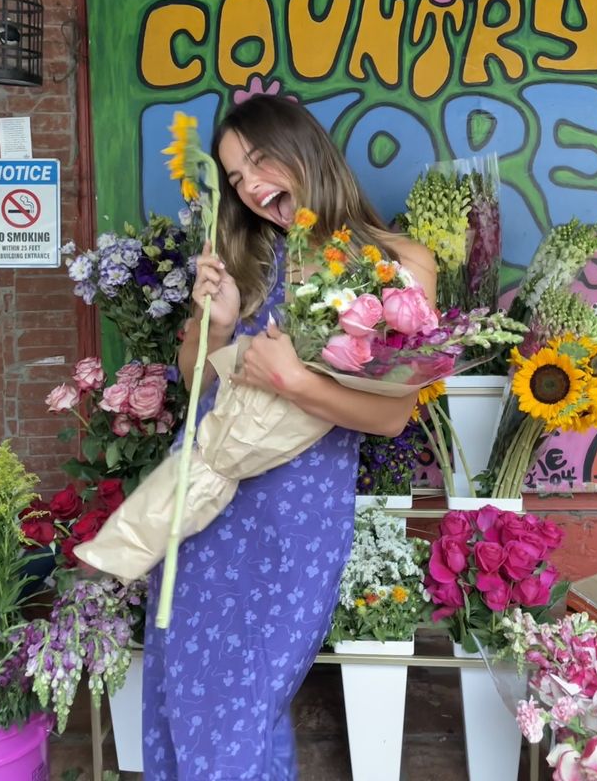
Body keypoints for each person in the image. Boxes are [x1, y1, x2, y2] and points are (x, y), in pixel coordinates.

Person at [142, 95, 436, 781]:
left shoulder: (401, 263)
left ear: (304, 151)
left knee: (241, 702)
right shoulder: (248, 256)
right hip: (200, 506)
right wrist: (212, 325)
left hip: (293, 522)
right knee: (186, 702)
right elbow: (195, 386)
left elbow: (393, 416)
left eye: (257, 163)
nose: (248, 186)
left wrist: (292, 382)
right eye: (235, 177)